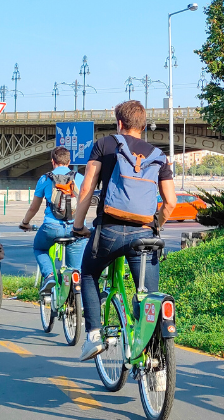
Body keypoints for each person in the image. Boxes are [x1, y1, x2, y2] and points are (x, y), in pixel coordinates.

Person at [71, 100, 177, 361]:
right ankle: (154, 361)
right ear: (143, 125)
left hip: (108, 230)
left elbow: (86, 189)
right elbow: (171, 203)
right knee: (148, 296)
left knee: (88, 274)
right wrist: (155, 226)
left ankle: (94, 334)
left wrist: (78, 226)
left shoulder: (105, 144)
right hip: (144, 234)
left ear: (120, 123)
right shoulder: (158, 155)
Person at [18, 146, 87, 300]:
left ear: (52, 161)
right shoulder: (80, 178)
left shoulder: (45, 178)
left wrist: (25, 222)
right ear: (69, 162)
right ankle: (77, 307)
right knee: (76, 270)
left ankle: (49, 275)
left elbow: (34, 207)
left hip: (51, 227)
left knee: (39, 248)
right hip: (75, 227)